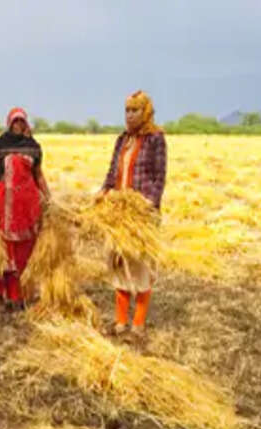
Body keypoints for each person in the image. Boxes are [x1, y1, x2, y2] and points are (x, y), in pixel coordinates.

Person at [97, 90, 167, 342]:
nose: (129, 115)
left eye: (135, 110)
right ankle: (120, 321)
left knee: (140, 266)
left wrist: (149, 203)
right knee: (118, 263)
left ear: (145, 112)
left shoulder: (155, 139)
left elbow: (159, 176)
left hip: (141, 213)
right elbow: (112, 170)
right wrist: (104, 191)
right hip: (118, 211)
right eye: (127, 110)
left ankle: (137, 323)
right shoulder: (122, 140)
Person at [0, 107, 50, 311]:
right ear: (9, 124)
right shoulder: (0, 146)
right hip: (4, 205)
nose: (19, 125)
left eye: (22, 121)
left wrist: (49, 198)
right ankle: (5, 293)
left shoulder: (33, 147)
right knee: (4, 251)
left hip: (27, 207)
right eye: (15, 121)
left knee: (24, 251)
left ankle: (21, 295)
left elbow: (38, 176)